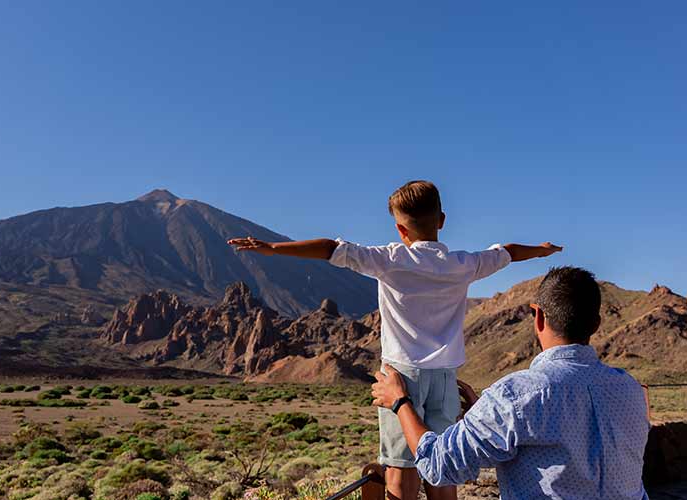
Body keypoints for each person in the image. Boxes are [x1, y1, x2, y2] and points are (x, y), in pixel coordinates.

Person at [228, 180, 561, 500]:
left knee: (401, 470)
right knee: (442, 467)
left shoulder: (390, 259)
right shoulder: (465, 264)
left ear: (401, 231)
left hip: (401, 379)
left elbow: (331, 248)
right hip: (446, 379)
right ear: (442, 220)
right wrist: (542, 251)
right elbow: (508, 252)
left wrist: (272, 248)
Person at [371, 266, 651, 500]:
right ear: (597, 324)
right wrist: (486, 416)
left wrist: (400, 402)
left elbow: (437, 464)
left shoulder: (516, 397)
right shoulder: (629, 390)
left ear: (538, 316)